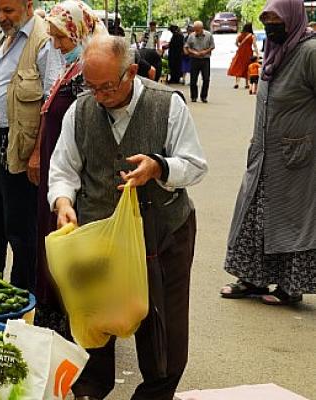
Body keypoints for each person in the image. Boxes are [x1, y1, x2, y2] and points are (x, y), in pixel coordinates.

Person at [48, 35, 207, 400]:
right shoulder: (81, 109)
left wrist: (159, 167)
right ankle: (90, 389)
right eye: (91, 86)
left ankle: (155, 391)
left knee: (160, 324)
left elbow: (196, 165)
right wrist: (63, 202)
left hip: (162, 233)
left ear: (131, 72)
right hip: (100, 234)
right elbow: (63, 168)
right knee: (94, 315)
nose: (99, 95)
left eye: (107, 86)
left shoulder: (167, 105)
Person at [0, 0, 62, 291]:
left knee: (20, 229)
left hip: (19, 147)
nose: (2, 17)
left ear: (28, 6)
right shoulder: (7, 39)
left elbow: (50, 103)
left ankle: (22, 295)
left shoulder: (42, 42)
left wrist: (36, 154)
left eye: (9, 11)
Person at [221, 0, 316, 306]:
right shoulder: (276, 52)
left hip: (297, 159)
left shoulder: (309, 53)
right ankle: (252, 280)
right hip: (263, 155)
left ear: (292, 19)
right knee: (253, 217)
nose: (270, 26)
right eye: (267, 20)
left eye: (276, 20)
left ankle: (290, 288)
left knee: (291, 222)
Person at [29, 0, 104, 339]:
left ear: (79, 31)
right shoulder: (70, 70)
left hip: (74, 179)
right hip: (55, 173)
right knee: (53, 242)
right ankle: (54, 315)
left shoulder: (89, 75)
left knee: (69, 250)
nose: (57, 45)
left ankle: (72, 322)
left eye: (61, 38)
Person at [185, 21, 214, 102]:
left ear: (202, 28)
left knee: (206, 78)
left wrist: (205, 51)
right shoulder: (191, 36)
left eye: (198, 30)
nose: (196, 32)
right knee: (193, 79)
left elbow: (212, 46)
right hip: (194, 59)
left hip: (205, 59)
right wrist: (194, 52)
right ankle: (193, 96)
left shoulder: (208, 35)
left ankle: (203, 96)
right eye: (195, 30)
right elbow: (187, 47)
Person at [227, 23, 258, 89]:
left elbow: (236, 43)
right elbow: (254, 45)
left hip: (240, 53)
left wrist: (240, 47)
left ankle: (237, 83)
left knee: (239, 66)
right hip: (248, 53)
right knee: (247, 67)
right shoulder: (252, 36)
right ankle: (247, 84)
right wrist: (257, 53)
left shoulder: (240, 35)